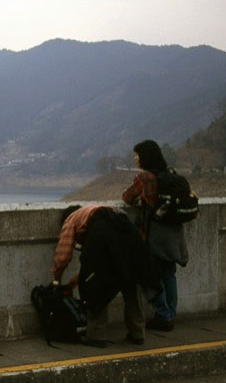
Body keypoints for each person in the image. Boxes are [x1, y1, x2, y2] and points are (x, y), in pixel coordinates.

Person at [51, 204, 154, 347]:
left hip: (103, 235)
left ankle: (97, 335)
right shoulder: (100, 211)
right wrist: (74, 282)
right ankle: (137, 333)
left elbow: (63, 256)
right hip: (128, 232)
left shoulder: (71, 218)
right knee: (130, 280)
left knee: (96, 285)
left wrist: (57, 279)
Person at [122, 139, 189, 331]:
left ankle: (163, 315)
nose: (135, 159)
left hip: (155, 234)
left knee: (151, 275)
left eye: (137, 155)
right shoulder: (169, 175)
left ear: (146, 156)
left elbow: (127, 197)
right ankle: (170, 315)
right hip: (173, 232)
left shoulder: (145, 177)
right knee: (169, 274)